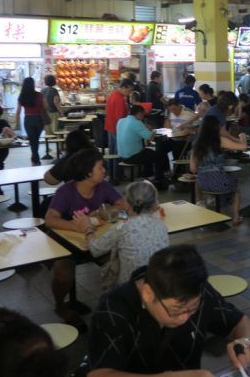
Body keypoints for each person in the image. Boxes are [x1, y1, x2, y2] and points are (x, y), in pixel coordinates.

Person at [87, 245, 250, 377]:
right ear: (148, 294)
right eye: (176, 311)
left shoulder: (197, 292)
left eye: (192, 309)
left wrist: (245, 342)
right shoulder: (113, 309)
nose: (185, 318)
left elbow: (243, 324)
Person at [45, 149, 129, 328]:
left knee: (116, 260)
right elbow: (50, 219)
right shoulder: (66, 192)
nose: (104, 171)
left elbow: (125, 208)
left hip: (95, 240)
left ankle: (114, 302)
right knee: (63, 272)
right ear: (88, 172)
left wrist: (107, 211)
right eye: (101, 167)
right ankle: (60, 306)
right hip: (67, 242)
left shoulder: (103, 187)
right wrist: (78, 226)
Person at [88, 181, 169, 288]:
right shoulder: (161, 225)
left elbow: (95, 250)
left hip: (129, 289)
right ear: (155, 203)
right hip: (157, 285)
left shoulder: (122, 227)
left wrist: (87, 230)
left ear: (127, 203)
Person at [190, 116, 247, 224]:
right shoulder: (219, 140)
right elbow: (243, 147)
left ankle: (219, 213)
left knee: (221, 186)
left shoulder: (196, 143)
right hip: (218, 179)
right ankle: (236, 217)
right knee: (235, 188)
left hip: (202, 182)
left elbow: (192, 168)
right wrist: (242, 136)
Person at [117, 105, 167, 180]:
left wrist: (144, 126)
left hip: (121, 155)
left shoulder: (121, 121)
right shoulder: (136, 123)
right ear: (139, 113)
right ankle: (159, 178)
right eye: (143, 115)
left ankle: (147, 174)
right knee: (158, 155)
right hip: (132, 156)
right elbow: (151, 138)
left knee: (148, 152)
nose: (143, 117)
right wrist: (154, 131)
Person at [16, 77, 47, 166]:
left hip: (28, 119)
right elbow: (46, 106)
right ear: (33, 84)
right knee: (35, 140)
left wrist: (17, 124)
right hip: (38, 119)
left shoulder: (22, 96)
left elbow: (18, 112)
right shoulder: (39, 95)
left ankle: (35, 160)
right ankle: (35, 159)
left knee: (32, 140)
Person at [104, 79, 134, 155]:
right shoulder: (120, 99)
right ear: (123, 87)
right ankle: (116, 167)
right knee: (118, 154)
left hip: (110, 127)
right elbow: (120, 118)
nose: (129, 93)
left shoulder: (113, 94)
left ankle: (111, 167)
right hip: (116, 129)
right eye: (129, 91)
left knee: (112, 152)